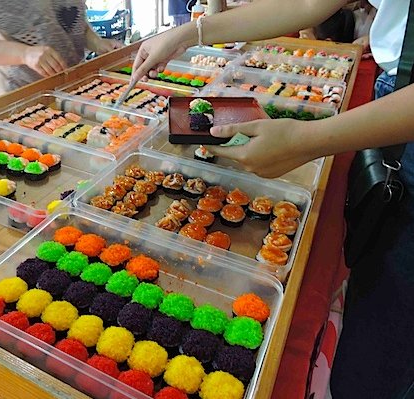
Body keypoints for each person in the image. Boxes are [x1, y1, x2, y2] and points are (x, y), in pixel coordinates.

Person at [131, 0, 414, 398]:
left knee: (388, 337)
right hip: (395, 90)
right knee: (373, 304)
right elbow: (309, 2)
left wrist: (310, 140)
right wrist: (188, 33)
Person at [0, 0, 123, 99]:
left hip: (68, 85)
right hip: (18, 92)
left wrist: (96, 42)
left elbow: (71, 19)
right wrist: (24, 54)